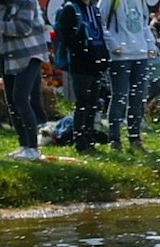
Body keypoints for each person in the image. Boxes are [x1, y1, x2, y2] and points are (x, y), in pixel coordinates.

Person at [100, 0, 157, 150]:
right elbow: (100, 23)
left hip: (140, 55)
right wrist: (113, 45)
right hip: (120, 57)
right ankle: (114, 139)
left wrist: (150, 45)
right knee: (119, 97)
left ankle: (135, 138)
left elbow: (144, 24)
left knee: (137, 98)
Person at [53, 0, 110, 150]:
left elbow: (100, 34)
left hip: (97, 63)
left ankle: (89, 139)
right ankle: (79, 141)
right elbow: (68, 38)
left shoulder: (93, 10)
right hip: (81, 65)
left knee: (93, 103)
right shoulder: (70, 9)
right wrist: (85, 54)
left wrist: (104, 58)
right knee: (83, 103)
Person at [0, 0, 46, 158]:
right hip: (8, 55)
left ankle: (33, 148)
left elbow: (24, 28)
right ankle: (23, 145)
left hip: (29, 53)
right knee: (11, 101)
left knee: (20, 98)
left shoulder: (27, 2)